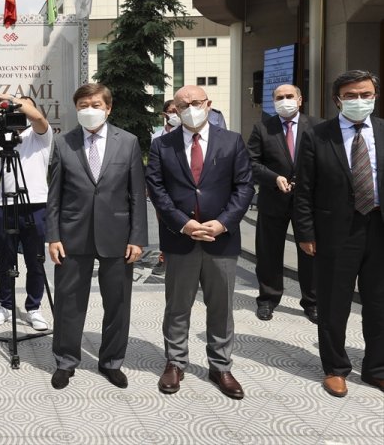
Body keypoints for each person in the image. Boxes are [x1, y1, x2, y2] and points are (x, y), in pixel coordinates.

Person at [146, 85, 253, 400]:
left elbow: (244, 186)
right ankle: (176, 362)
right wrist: (184, 224)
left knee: (221, 306)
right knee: (178, 306)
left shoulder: (231, 141)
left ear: (208, 104)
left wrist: (222, 223)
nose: (190, 107)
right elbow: (156, 188)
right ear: (174, 110)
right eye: (182, 104)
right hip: (181, 238)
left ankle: (220, 365)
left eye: (196, 102)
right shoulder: (162, 145)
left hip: (221, 238)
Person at [47, 83, 147, 390]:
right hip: (71, 235)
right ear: (76, 109)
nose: (89, 110)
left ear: (108, 108)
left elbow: (136, 195)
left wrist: (137, 238)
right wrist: (53, 236)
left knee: (117, 303)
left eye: (95, 104)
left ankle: (111, 361)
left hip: (117, 237)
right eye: (82, 106)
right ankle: (66, 360)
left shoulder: (128, 142)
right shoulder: (64, 143)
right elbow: (54, 195)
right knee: (68, 303)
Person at [294, 69, 384, 397]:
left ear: (375, 96)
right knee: (334, 304)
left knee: (379, 302)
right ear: (338, 99)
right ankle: (335, 367)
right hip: (335, 232)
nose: (359, 101)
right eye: (351, 96)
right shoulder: (318, 135)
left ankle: (376, 368)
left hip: (378, 228)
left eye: (365, 95)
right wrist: (305, 232)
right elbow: (304, 189)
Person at [0, 93, 52, 331]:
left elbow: (37, 117)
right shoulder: (4, 133)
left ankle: (34, 307)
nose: (18, 110)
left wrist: (11, 99)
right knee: (4, 258)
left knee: (35, 259)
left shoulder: (40, 135)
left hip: (35, 202)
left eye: (24, 105)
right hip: (3, 203)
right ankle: (5, 306)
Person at [246, 84, 320, 323]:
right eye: (279, 97)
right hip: (272, 200)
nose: (284, 100)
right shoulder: (262, 128)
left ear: (300, 100)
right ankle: (268, 299)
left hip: (308, 202)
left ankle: (312, 301)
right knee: (268, 253)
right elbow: (251, 162)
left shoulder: (318, 127)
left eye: (289, 96)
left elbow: (326, 161)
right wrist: (273, 178)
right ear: (273, 101)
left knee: (310, 252)